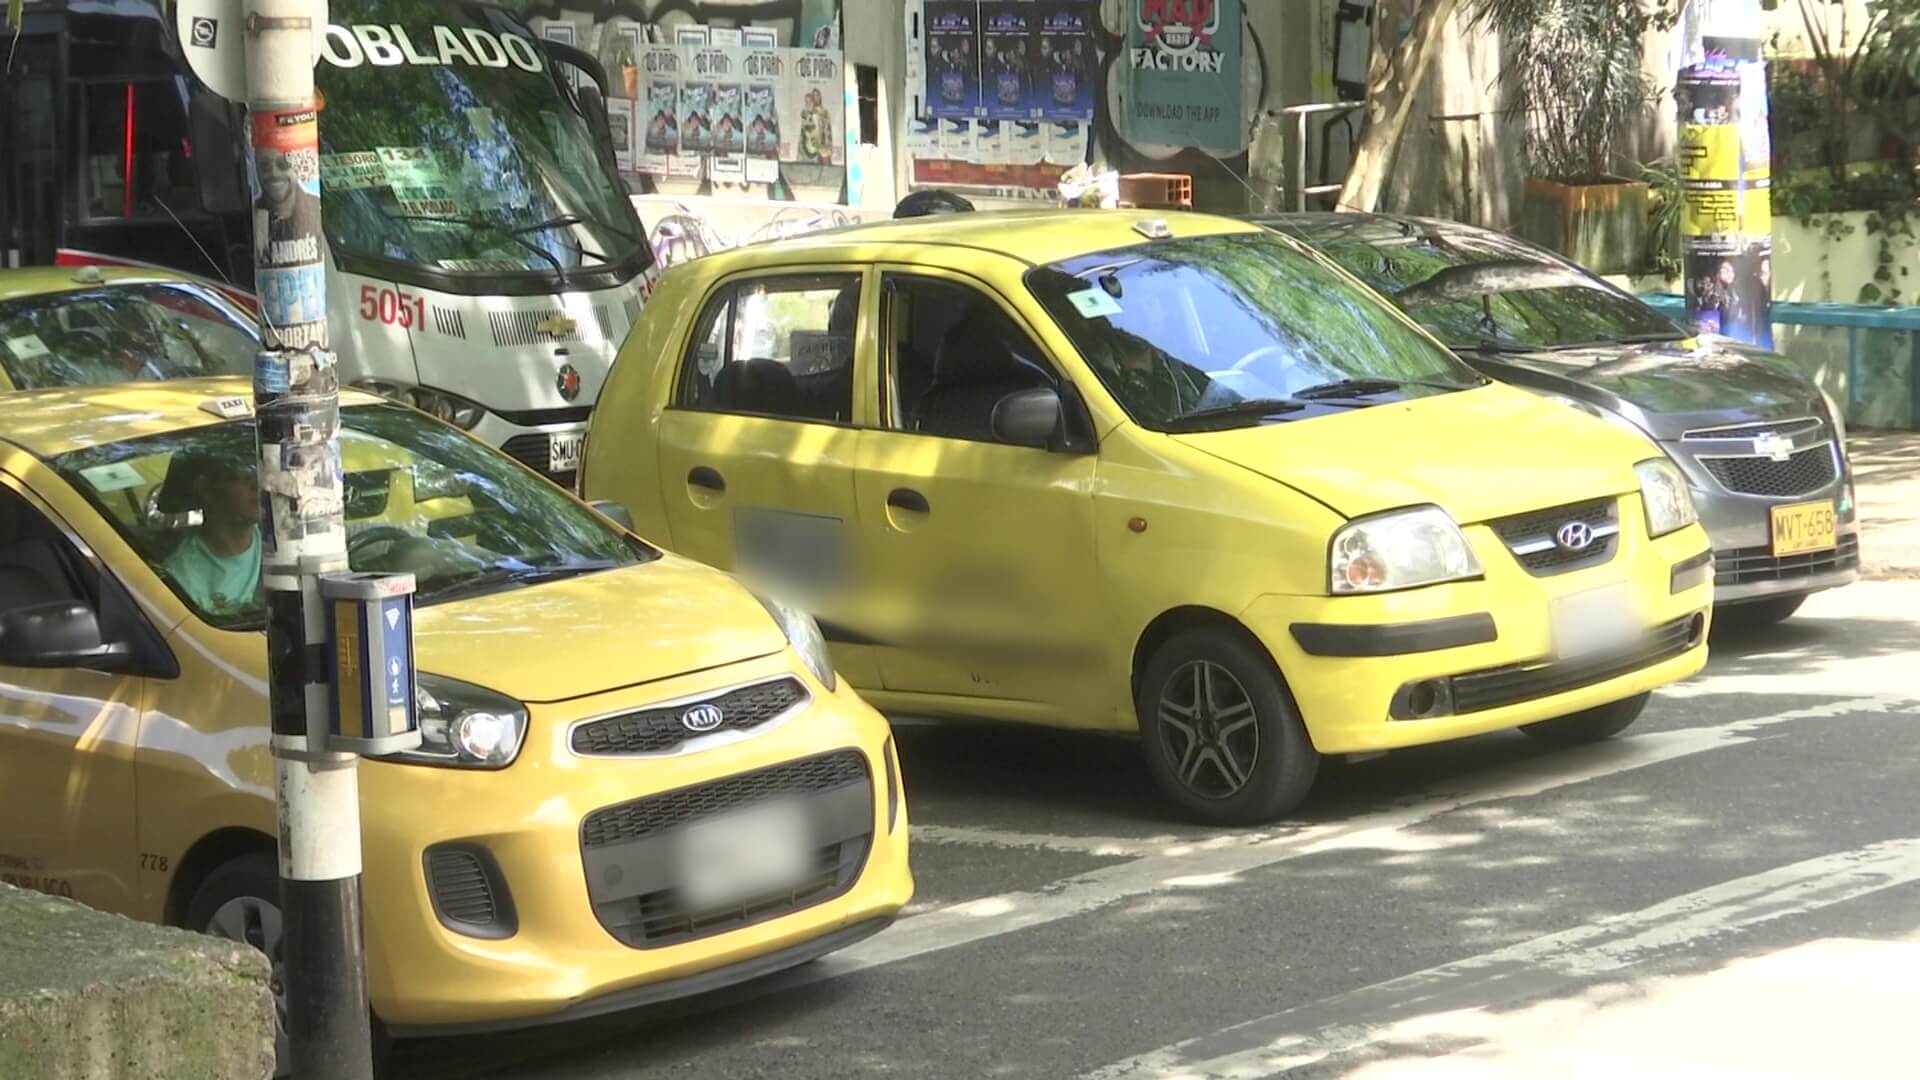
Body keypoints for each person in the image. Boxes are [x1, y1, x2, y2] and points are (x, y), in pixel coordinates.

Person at [160, 452, 262, 616]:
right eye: (241, 476)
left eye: (258, 472)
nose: (257, 484)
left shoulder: (285, 543)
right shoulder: (180, 580)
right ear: (205, 489)